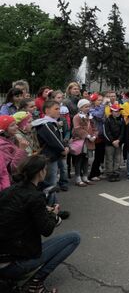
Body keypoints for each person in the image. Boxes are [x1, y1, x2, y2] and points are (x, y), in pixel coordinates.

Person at [0, 155, 81, 293]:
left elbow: (17, 213)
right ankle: (35, 283)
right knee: (74, 237)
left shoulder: (8, 191)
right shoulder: (35, 196)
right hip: (14, 263)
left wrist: (42, 210)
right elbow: (47, 229)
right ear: (40, 172)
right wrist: (54, 214)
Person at [32, 101, 69, 190]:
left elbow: (59, 137)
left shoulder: (52, 123)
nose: (59, 111)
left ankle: (51, 202)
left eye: (59, 109)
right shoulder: (45, 124)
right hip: (49, 157)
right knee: (50, 183)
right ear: (47, 111)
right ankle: (50, 203)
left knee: (52, 181)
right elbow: (53, 140)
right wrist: (63, 149)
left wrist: (65, 145)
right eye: (56, 109)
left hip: (53, 156)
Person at [71, 99, 97, 187]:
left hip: (89, 141)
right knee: (79, 159)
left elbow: (94, 128)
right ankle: (78, 178)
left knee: (86, 159)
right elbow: (77, 129)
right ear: (80, 107)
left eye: (89, 106)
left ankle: (85, 177)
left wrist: (94, 136)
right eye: (86, 107)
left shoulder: (90, 116)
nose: (88, 108)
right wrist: (88, 136)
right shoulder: (77, 117)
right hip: (80, 141)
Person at [0, 115, 27, 191]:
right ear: (4, 130)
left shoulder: (12, 138)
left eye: (16, 124)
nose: (17, 127)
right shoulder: (2, 146)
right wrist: (21, 149)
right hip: (12, 183)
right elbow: (12, 168)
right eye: (12, 125)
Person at [103, 103, 125, 182]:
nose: (118, 112)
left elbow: (123, 131)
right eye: (116, 111)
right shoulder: (108, 120)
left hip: (118, 142)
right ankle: (109, 173)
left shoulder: (122, 119)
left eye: (119, 111)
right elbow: (106, 132)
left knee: (117, 158)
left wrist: (119, 140)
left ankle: (116, 172)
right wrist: (112, 141)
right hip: (110, 143)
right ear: (111, 111)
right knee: (109, 158)